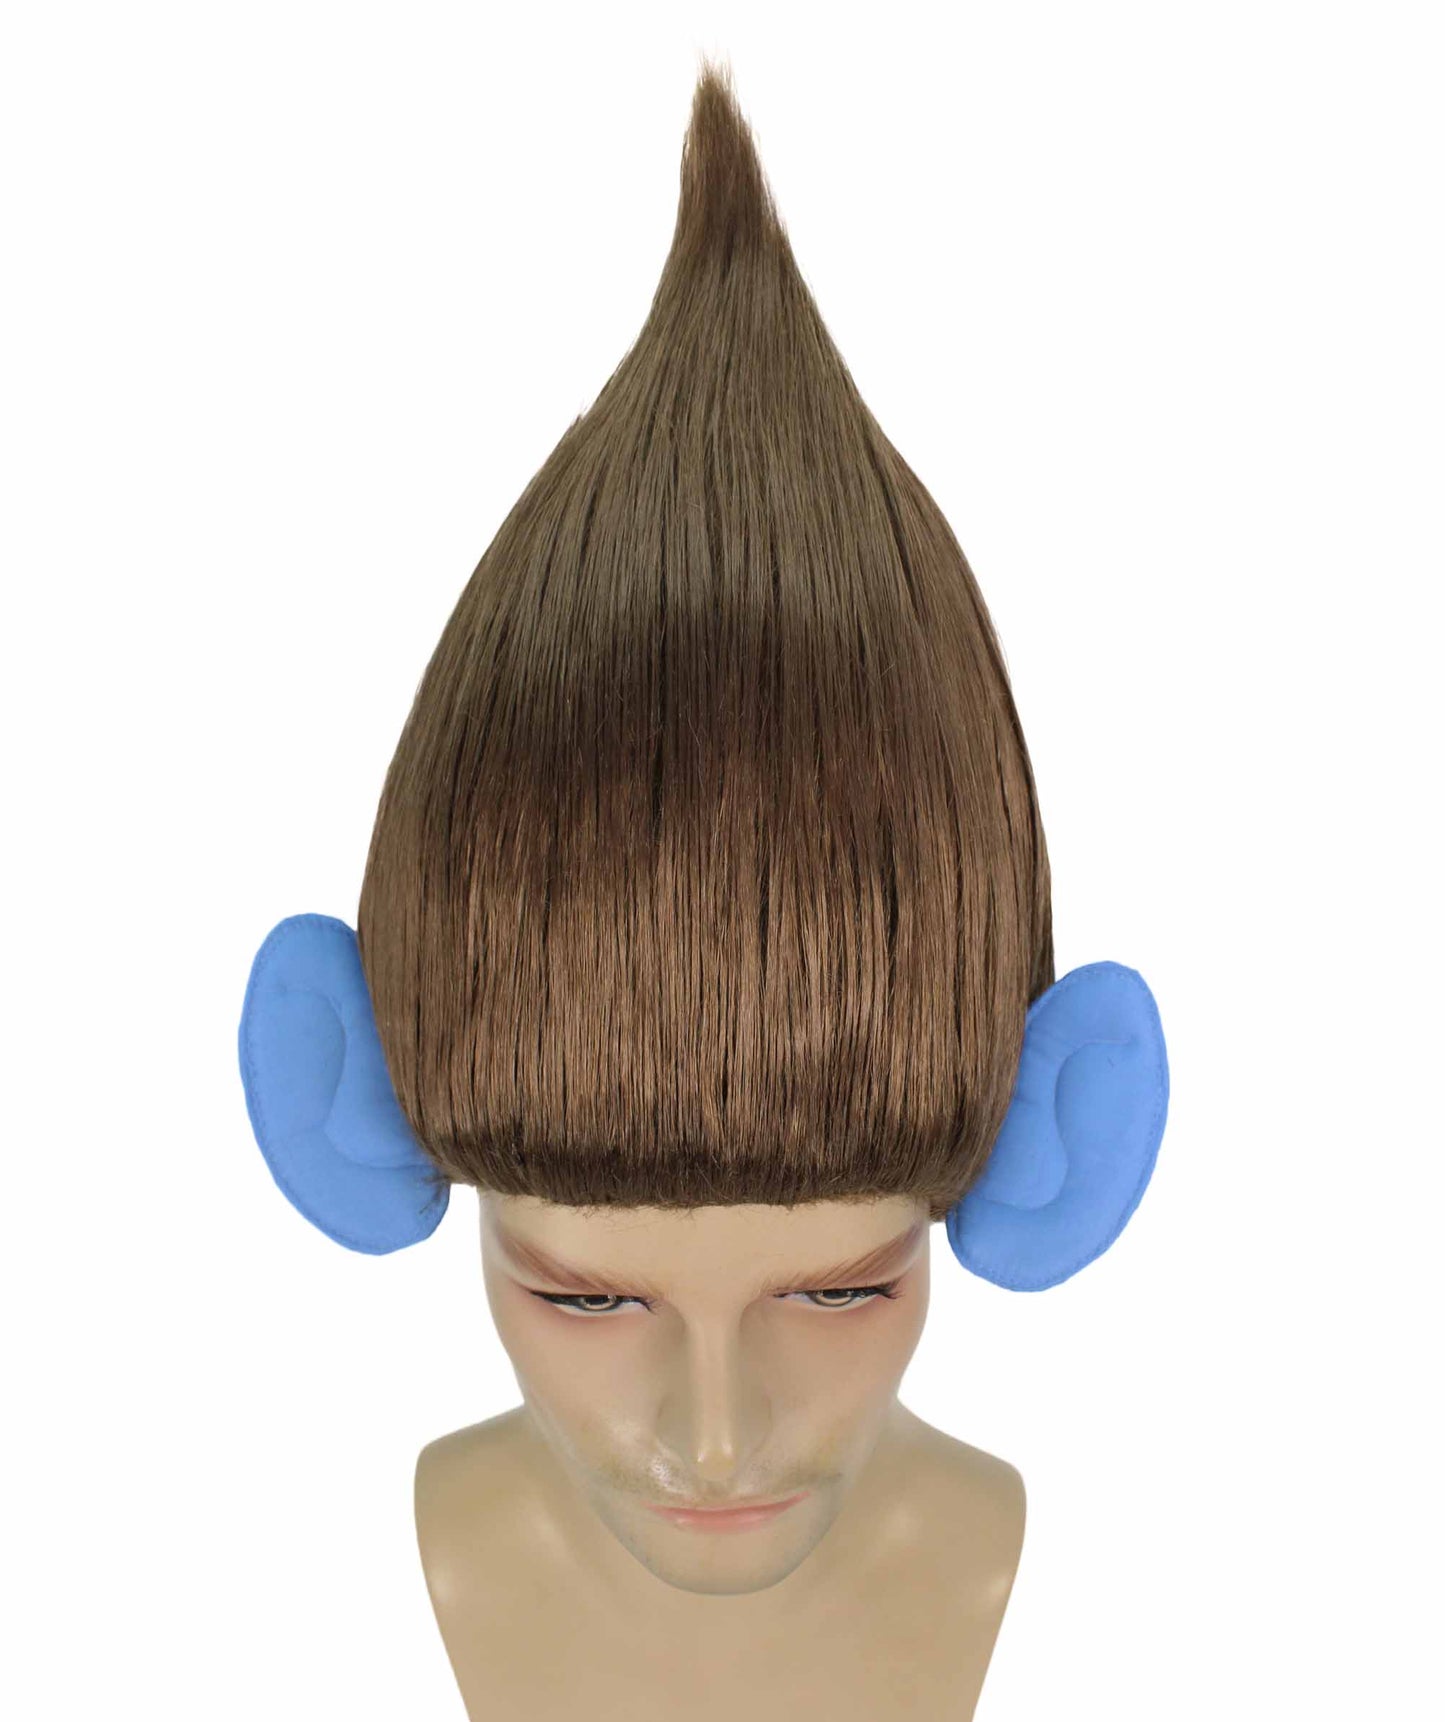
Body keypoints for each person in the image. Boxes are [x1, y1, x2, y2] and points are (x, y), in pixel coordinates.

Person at [238, 56, 1168, 1722]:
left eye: (841, 1288)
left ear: (1055, 1145)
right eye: (584, 1295)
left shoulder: (1139, 1595)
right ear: (352, 1113)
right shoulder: (261, 1587)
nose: (717, 1436)